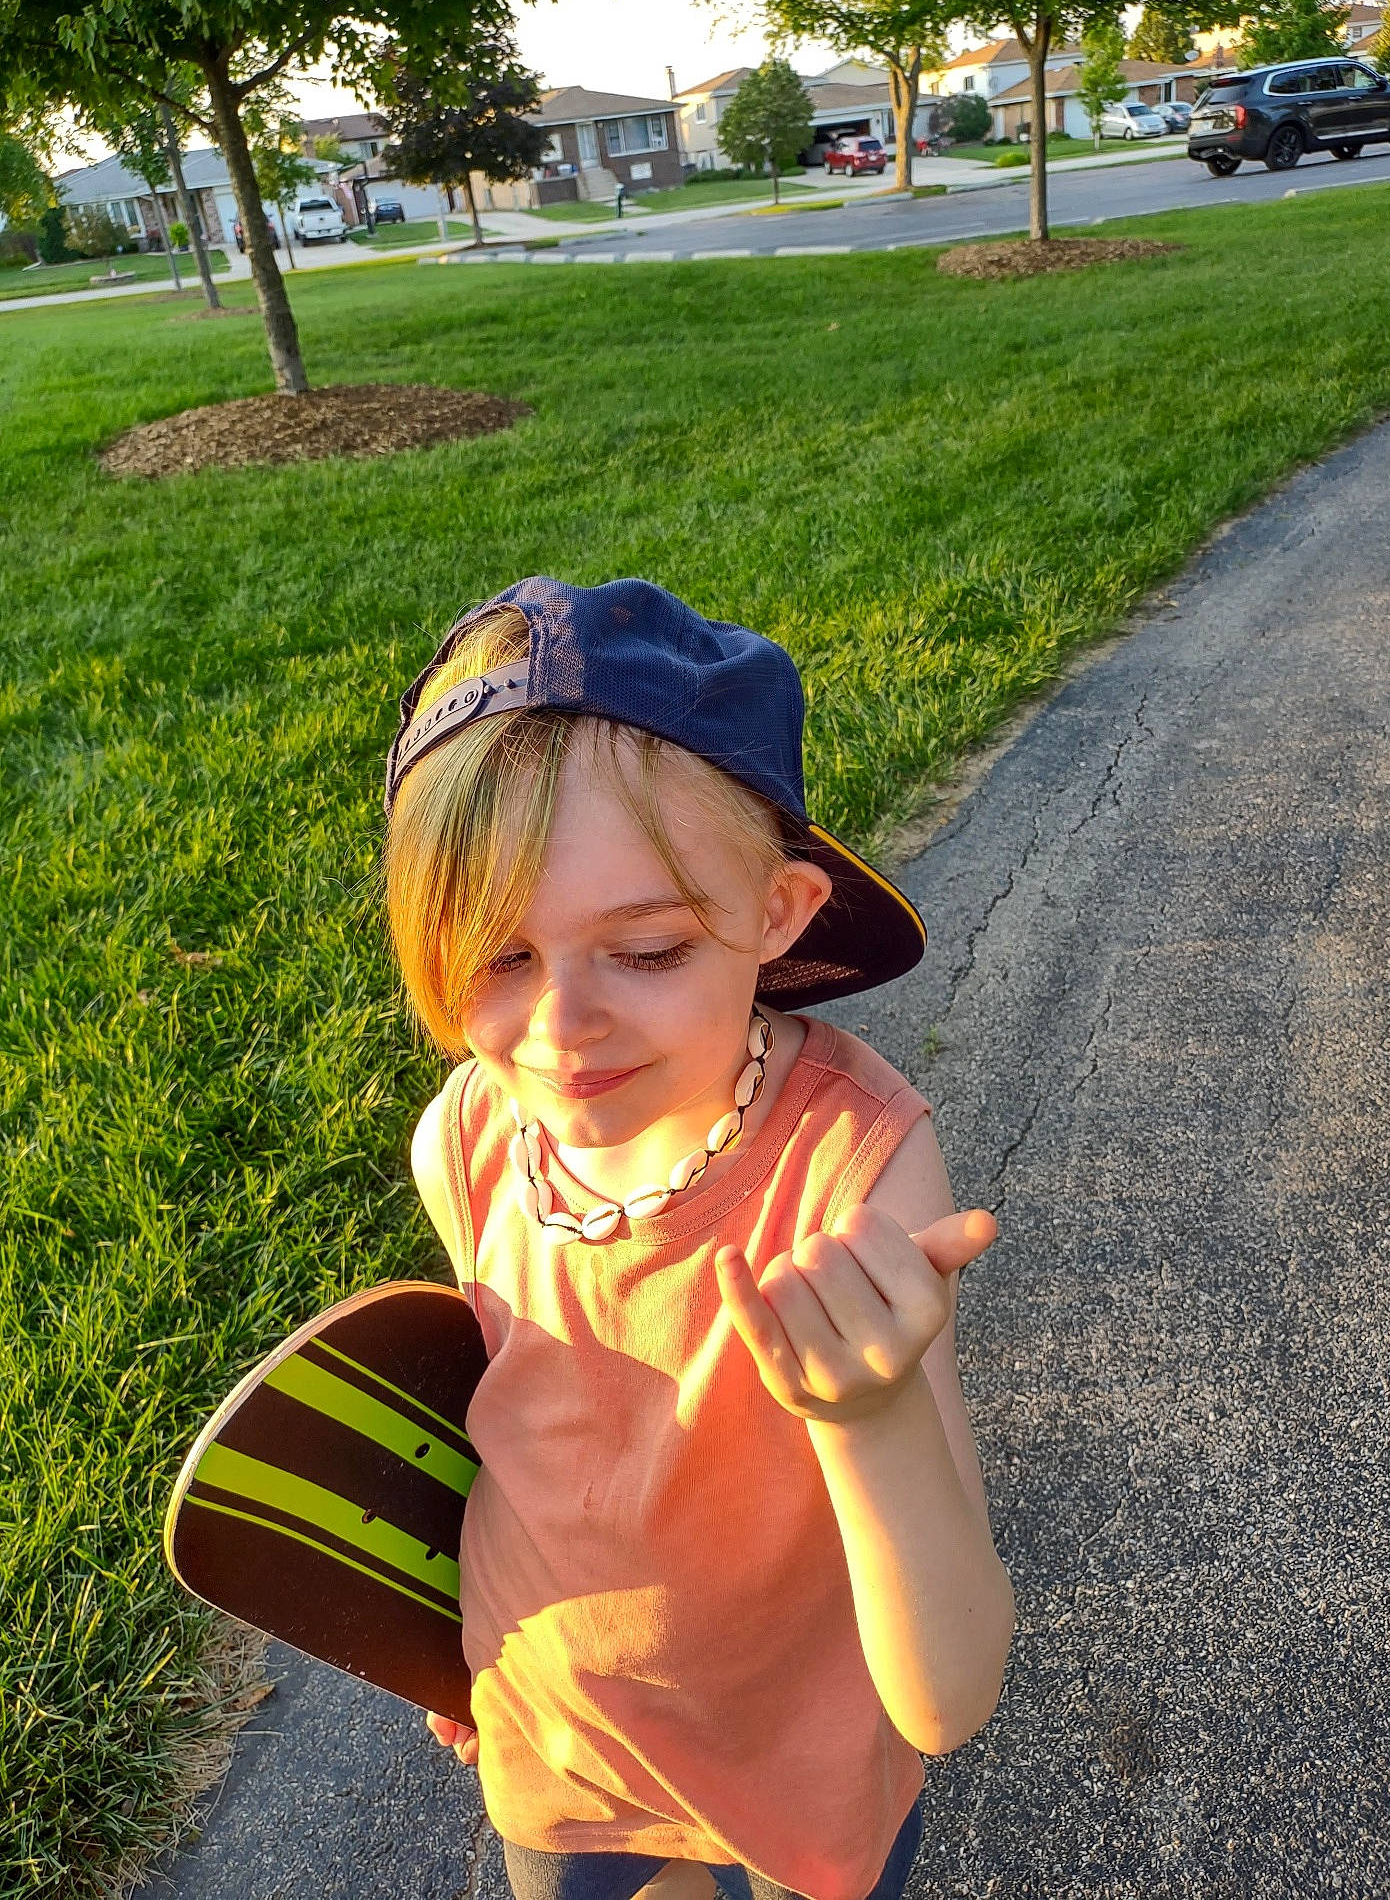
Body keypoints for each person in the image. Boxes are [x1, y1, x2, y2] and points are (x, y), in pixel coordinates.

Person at [383, 577, 1015, 1900]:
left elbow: (948, 1696)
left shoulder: (857, 1173)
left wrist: (873, 1414)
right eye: (498, 960)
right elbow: (492, 1423)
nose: (562, 1030)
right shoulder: (471, 1135)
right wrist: (450, 1633)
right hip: (562, 1739)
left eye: (651, 951)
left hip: (799, 1764)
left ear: (777, 915)